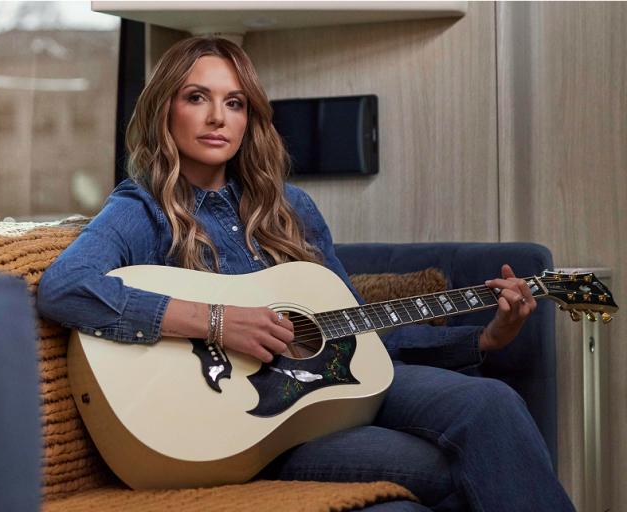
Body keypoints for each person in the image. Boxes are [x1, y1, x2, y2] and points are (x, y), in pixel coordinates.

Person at [37, 36, 574, 511]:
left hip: (343, 385)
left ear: (251, 119)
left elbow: (357, 330)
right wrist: (217, 321)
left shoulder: (290, 206)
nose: (217, 118)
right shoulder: (144, 207)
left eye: (234, 102)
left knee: (492, 402)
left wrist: (483, 337)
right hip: (256, 425)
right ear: (165, 109)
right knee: (434, 464)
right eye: (196, 97)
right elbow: (66, 287)